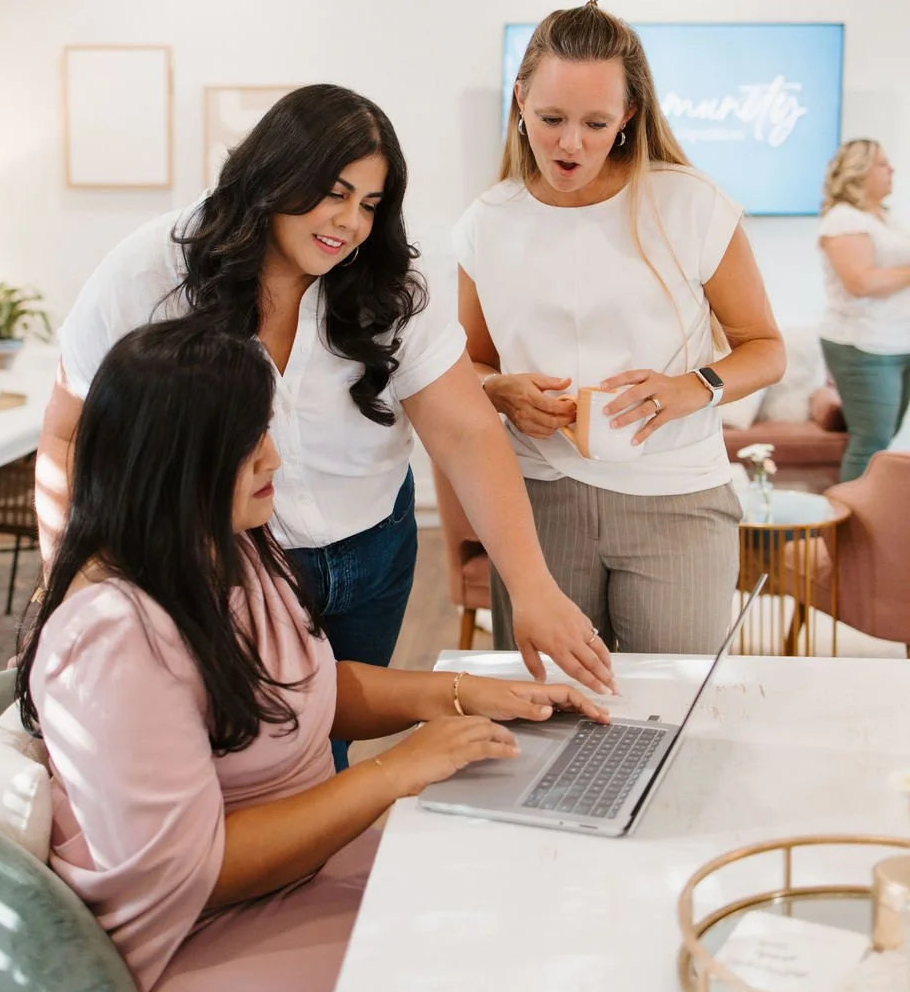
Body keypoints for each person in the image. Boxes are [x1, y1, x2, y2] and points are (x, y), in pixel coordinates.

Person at [15, 320, 608, 992]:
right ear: (175, 458)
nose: (274, 457)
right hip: (196, 945)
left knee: (533, 905)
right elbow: (191, 872)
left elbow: (309, 691)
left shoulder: (231, 550)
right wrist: (394, 772)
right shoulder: (112, 638)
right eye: (248, 442)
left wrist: (462, 694)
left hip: (302, 879)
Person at [37, 85, 615, 728]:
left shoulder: (392, 281)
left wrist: (533, 589)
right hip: (232, 560)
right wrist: (72, 595)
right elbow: (69, 436)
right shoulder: (152, 272)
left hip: (374, 549)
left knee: (333, 738)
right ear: (274, 173)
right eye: (334, 193)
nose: (350, 223)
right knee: (251, 744)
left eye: (369, 204)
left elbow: (466, 434)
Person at [455, 2, 786, 656]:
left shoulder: (690, 203)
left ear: (629, 115)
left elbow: (767, 349)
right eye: (551, 118)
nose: (569, 144)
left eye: (595, 123)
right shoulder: (486, 222)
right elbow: (471, 364)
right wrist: (499, 391)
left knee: (674, 698)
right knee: (549, 702)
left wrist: (696, 385)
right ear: (520, 100)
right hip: (536, 500)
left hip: (677, 499)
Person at [818, 138, 910, 481]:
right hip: (864, 344)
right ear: (859, 172)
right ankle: (849, 515)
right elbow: (860, 282)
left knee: (883, 438)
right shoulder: (842, 220)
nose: (892, 170)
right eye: (882, 164)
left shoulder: (885, 217)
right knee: (870, 441)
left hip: (898, 340)